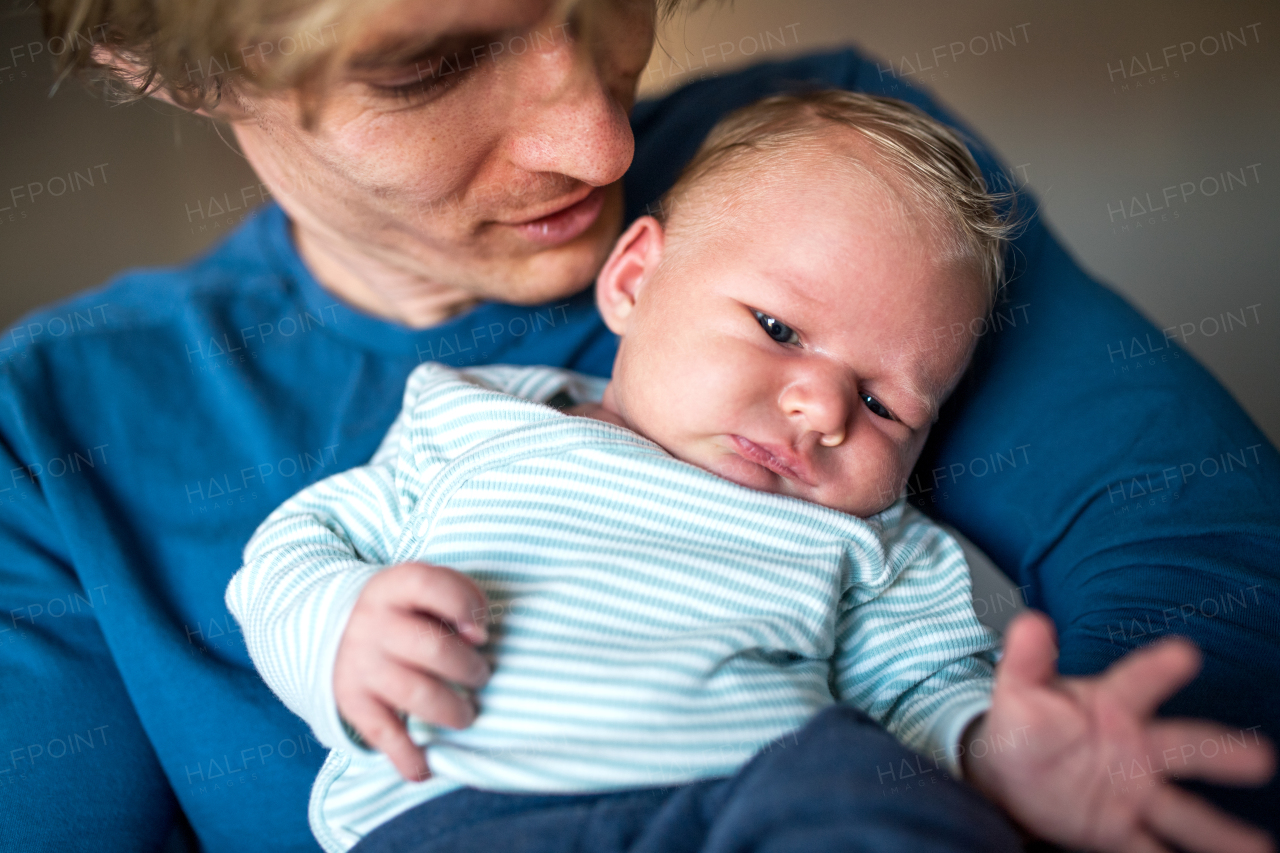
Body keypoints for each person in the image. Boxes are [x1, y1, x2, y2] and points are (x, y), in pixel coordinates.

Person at [3, 0, 1276, 849]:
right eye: (427, 61)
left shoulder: (861, 191)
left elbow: (1194, 553)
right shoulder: (53, 429)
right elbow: (298, 557)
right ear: (145, 43)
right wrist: (341, 624)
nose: (597, 138)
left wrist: (1021, 766)